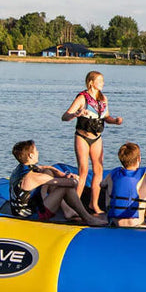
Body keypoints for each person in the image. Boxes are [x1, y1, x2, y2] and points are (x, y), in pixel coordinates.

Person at [61, 71, 123, 213]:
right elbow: (64, 116)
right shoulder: (82, 98)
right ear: (91, 82)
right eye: (100, 81)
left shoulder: (103, 99)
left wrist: (115, 121)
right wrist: (76, 114)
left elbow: (106, 117)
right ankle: (73, 206)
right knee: (83, 171)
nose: (103, 83)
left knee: (98, 170)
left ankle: (93, 204)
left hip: (97, 138)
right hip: (82, 137)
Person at [9, 140, 105, 225]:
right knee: (64, 188)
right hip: (31, 217)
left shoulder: (19, 169)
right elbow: (72, 184)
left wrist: (61, 174)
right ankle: (88, 218)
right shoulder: (34, 177)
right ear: (31, 155)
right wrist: (73, 178)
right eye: (36, 151)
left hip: (19, 210)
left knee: (48, 172)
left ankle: (68, 211)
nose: (38, 152)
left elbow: (45, 168)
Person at [99, 142, 146, 227]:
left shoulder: (111, 175)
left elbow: (101, 184)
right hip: (138, 224)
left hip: (115, 223)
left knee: (107, 187)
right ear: (139, 159)